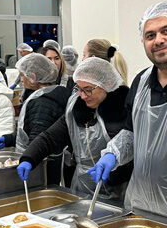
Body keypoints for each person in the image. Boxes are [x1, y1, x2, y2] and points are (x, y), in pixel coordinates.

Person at [89, 2, 167, 224]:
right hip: (139, 209)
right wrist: (113, 154)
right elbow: (131, 132)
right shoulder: (141, 81)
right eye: (150, 35)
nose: (158, 40)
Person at [17, 57, 132, 198]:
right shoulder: (76, 110)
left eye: (88, 90)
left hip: (119, 192)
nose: (82, 96)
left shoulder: (124, 111)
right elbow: (50, 138)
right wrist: (29, 158)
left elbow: (133, 148)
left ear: (107, 84)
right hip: (82, 188)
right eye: (79, 89)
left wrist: (115, 172)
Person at [0, 53, 69, 183]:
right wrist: (9, 139)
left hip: (40, 169)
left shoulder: (42, 102)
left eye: (23, 75)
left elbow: (38, 139)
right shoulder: (50, 93)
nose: (21, 79)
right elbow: (32, 129)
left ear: (33, 77)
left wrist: (28, 159)